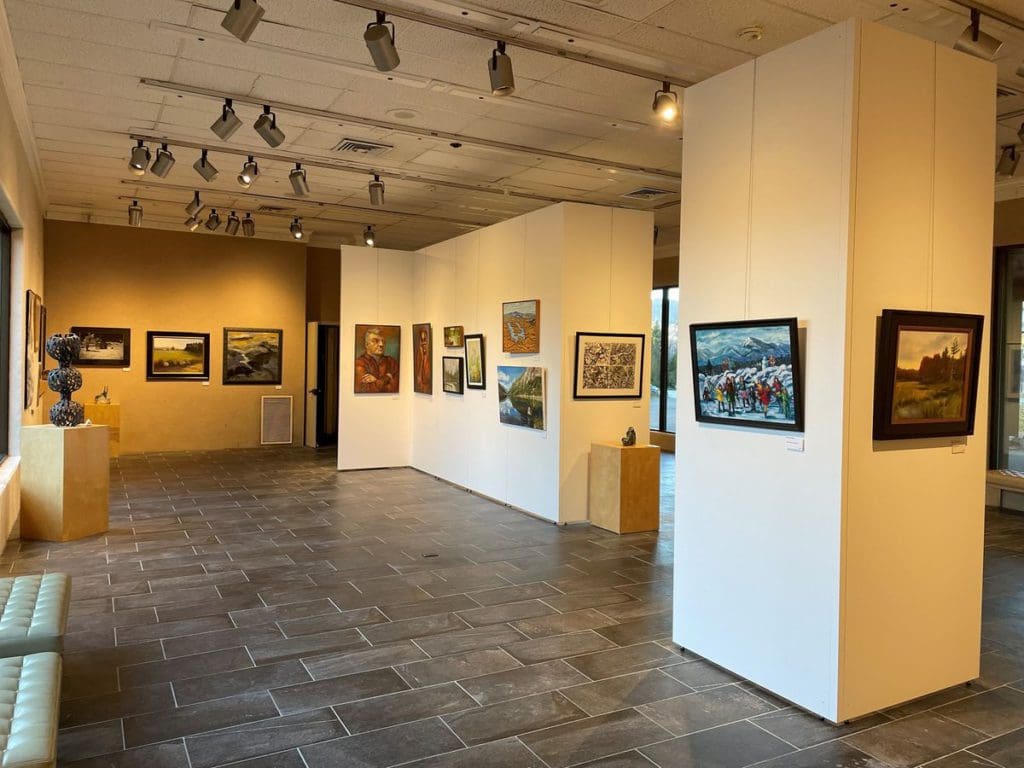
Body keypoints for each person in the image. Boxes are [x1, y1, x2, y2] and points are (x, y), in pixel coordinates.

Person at [355, 327, 399, 393]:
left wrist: (376, 381)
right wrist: (387, 377)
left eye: (383, 341)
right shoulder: (359, 363)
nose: (381, 344)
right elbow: (367, 389)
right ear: (367, 345)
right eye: (375, 341)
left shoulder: (392, 362)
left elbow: (395, 388)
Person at [414, 327, 431, 392]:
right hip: (421, 360)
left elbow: (427, 352)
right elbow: (419, 353)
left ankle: (425, 384)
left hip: (425, 360)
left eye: (424, 334)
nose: (423, 336)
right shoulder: (420, 343)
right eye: (422, 334)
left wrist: (425, 354)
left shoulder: (426, 343)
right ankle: (421, 385)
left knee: (425, 372)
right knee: (420, 372)